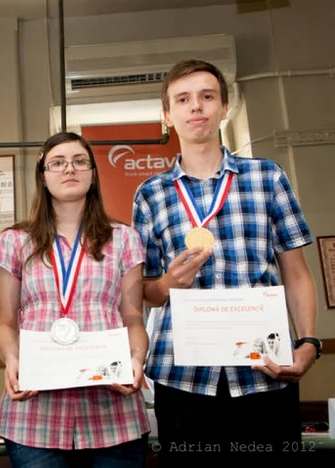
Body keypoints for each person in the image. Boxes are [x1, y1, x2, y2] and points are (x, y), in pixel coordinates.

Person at [132, 59, 319, 467]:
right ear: (168, 115)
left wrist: (307, 342)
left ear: (224, 108)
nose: (195, 106)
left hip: (264, 373)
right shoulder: (150, 194)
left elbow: (297, 272)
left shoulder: (267, 177)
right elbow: (144, 291)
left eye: (207, 96)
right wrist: (168, 285)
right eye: (183, 99)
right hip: (182, 378)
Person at [0, 132, 150, 467]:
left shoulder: (124, 239)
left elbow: (133, 316)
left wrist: (136, 359)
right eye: (58, 163)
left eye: (80, 161)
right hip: (35, 416)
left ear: (93, 174)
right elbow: (4, 323)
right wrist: (11, 358)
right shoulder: (14, 241)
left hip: (112, 413)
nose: (70, 169)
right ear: (43, 176)